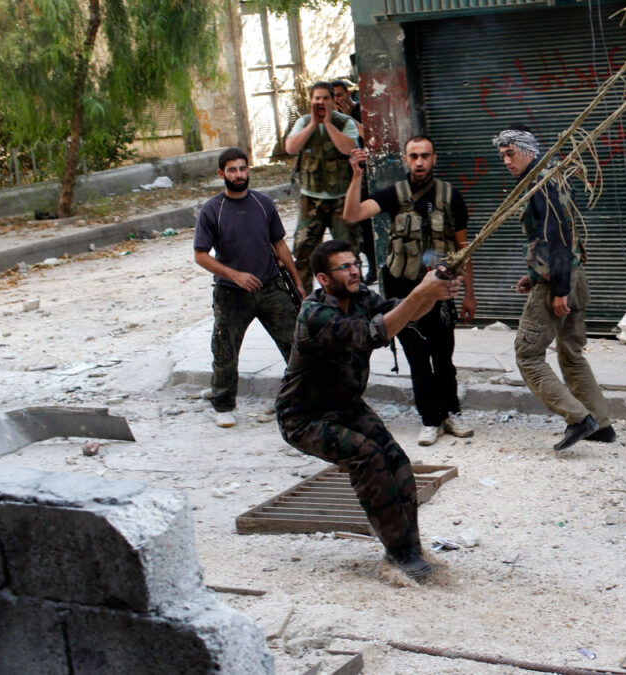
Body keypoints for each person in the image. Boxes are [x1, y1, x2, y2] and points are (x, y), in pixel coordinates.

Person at [276, 239, 459, 579]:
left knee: (399, 463)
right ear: (323, 278)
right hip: (304, 417)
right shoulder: (316, 315)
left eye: (355, 263)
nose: (355, 270)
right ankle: (398, 552)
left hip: (346, 407)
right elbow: (374, 333)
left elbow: (399, 314)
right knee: (369, 459)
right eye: (343, 267)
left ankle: (409, 548)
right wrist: (422, 292)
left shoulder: (362, 298)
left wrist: (433, 292)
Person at [344, 136, 477, 446]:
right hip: (402, 297)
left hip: (441, 294)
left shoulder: (450, 196)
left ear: (434, 158)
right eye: (414, 156)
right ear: (406, 159)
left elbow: (463, 248)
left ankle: (451, 413)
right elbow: (352, 215)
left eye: (425, 156)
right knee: (418, 361)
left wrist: (469, 294)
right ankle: (430, 420)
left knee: (444, 359)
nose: (420, 162)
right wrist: (356, 176)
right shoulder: (394, 195)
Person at [492, 124, 614, 450]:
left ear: (528, 150)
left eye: (510, 153)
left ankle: (579, 419)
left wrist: (557, 289)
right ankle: (601, 425)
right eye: (502, 155)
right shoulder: (552, 176)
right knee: (571, 354)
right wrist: (533, 275)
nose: (506, 161)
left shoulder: (540, 184)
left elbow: (557, 238)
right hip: (574, 275)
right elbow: (553, 240)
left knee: (528, 355)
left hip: (558, 284)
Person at [194, 147, 304, 428]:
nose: (239, 174)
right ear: (221, 174)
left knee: (296, 344)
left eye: (243, 168)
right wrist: (235, 275)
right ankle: (223, 403)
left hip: (270, 287)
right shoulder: (211, 210)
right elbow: (201, 256)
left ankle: (303, 399)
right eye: (232, 170)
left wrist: (298, 282)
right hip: (231, 293)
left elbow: (279, 244)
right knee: (225, 350)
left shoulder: (263, 203)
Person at [284, 81, 360, 292]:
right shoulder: (304, 122)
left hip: (341, 200)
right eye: (317, 98)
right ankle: (306, 304)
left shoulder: (344, 122)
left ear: (332, 100)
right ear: (311, 101)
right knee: (302, 253)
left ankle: (349, 300)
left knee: (347, 254)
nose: (321, 102)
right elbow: (290, 147)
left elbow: (349, 148)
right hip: (311, 199)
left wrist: (327, 123)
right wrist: (313, 124)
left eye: (325, 98)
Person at [332, 78, 378, 285]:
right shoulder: (329, 119)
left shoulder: (359, 111)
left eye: (340, 95)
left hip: (362, 177)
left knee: (366, 227)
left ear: (348, 94)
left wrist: (348, 118)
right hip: (340, 181)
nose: (336, 100)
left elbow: (370, 136)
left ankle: (373, 266)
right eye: (332, 96)